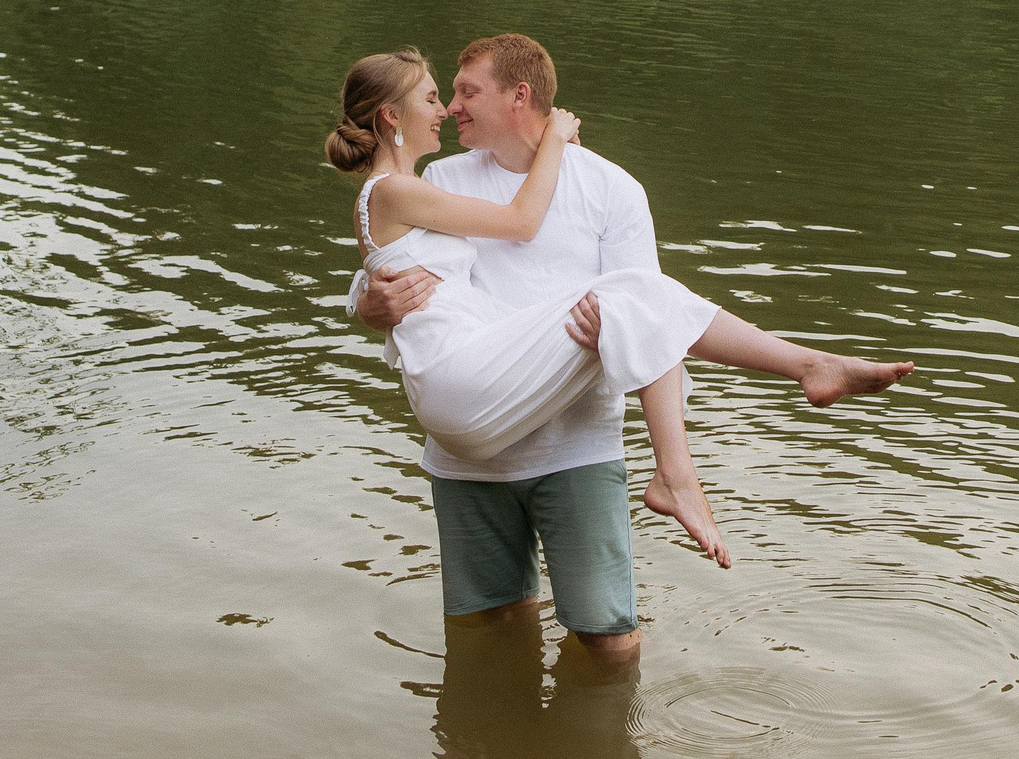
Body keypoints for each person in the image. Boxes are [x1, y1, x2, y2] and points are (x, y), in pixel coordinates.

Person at [345, 35, 910, 661]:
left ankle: (723, 434)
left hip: (571, 446)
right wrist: (367, 303)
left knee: (609, 645)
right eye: (441, 95)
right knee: (489, 639)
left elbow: (653, 330)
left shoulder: (610, 188)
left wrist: (610, 330)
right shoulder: (442, 176)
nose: (451, 108)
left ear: (519, 97)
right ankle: (779, 386)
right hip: (473, 443)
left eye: (466, 91)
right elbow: (396, 258)